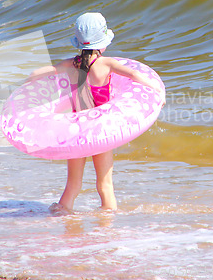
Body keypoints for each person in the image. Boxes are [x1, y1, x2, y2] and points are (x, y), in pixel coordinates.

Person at [29, 12, 163, 214]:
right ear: (102, 42)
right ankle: (106, 221)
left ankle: (62, 213)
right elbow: (135, 75)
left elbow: (35, 74)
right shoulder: (106, 64)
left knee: (72, 185)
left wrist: (24, 86)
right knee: (105, 184)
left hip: (75, 131)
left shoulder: (70, 64)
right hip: (100, 131)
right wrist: (158, 92)